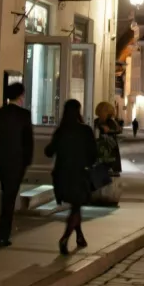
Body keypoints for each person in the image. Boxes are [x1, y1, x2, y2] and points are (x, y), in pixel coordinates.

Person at [45, 100, 99, 255]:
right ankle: (65, 238)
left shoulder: (61, 130)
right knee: (76, 207)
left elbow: (49, 151)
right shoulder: (85, 131)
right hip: (79, 174)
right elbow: (93, 155)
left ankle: (80, 237)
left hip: (62, 175)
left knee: (76, 206)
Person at [0, 82, 34, 247]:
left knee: (6, 193)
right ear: (20, 96)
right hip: (17, 161)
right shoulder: (24, 115)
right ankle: (3, 235)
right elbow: (28, 141)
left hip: (1, 160)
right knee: (9, 197)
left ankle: (3, 234)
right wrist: (26, 162)